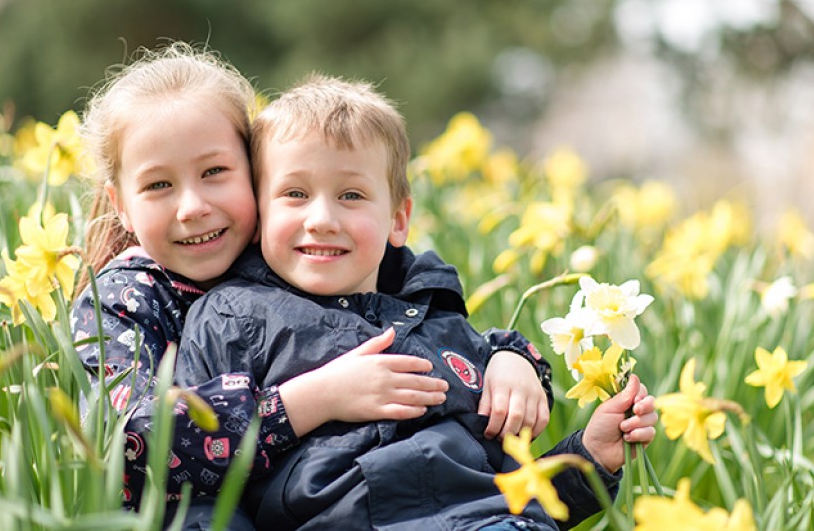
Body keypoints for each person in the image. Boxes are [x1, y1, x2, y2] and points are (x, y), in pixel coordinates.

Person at [71, 44, 552, 530]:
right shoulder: (123, 299)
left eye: (215, 172)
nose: (192, 206)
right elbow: (127, 439)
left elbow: (437, 332)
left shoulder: (304, 255)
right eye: (158, 186)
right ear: (122, 205)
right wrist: (310, 400)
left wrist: (514, 358)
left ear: (257, 178)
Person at [173, 74, 658, 530]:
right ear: (259, 212)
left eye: (351, 195)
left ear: (398, 220)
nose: (321, 218)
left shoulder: (444, 330)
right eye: (295, 193)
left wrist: (588, 457)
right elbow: (198, 474)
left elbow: (508, 493)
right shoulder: (233, 317)